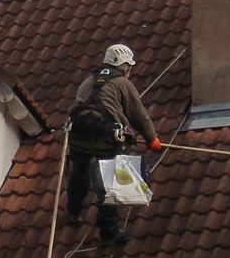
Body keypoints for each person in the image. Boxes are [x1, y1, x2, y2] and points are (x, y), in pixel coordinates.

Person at [64, 44, 160, 245]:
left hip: (78, 137)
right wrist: (152, 139)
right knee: (109, 182)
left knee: (79, 172)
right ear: (125, 68)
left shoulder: (88, 81)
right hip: (105, 139)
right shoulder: (123, 84)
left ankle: (73, 213)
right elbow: (138, 116)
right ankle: (109, 231)